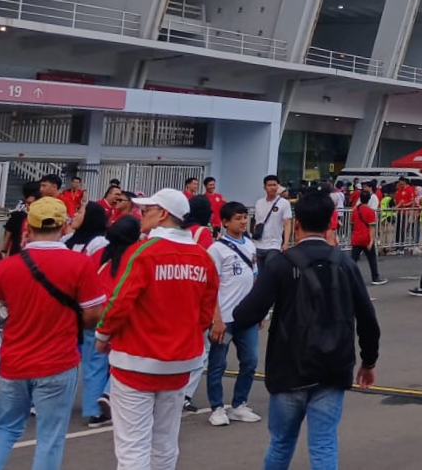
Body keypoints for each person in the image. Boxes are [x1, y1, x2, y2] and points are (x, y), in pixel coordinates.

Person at [232, 190, 380, 470]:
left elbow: (245, 314)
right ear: (330, 224)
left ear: (296, 225)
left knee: (281, 442)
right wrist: (368, 360)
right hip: (333, 367)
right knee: (323, 443)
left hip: (289, 366)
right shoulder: (345, 264)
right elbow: (368, 319)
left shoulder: (281, 265)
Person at [0, 198, 106, 470]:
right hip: (58, 360)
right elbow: (94, 314)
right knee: (50, 437)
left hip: (14, 360)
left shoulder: (6, 266)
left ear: (28, 227)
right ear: (63, 225)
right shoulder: (79, 264)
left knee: (4, 428)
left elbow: (5, 302)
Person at [94, 188, 220, 470]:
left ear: (163, 214)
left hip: (135, 360)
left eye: (147, 210)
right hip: (180, 363)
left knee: (132, 448)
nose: (141, 215)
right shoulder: (202, 257)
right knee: (165, 443)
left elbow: (119, 301)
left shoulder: (142, 253)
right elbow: (205, 312)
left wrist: (103, 335)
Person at [205, 202, 261, 426]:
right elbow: (210, 287)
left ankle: (239, 404)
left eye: (244, 217)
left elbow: (255, 280)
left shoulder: (250, 244)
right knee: (218, 363)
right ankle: (217, 407)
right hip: (224, 320)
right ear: (225, 222)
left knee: (250, 361)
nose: (243, 221)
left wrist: (259, 311)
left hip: (246, 318)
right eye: (238, 218)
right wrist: (216, 318)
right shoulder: (216, 250)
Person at [85, 216, 140, 428]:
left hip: (95, 312)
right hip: (121, 314)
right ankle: (109, 394)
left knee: (94, 363)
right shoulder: (136, 255)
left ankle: (93, 410)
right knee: (121, 359)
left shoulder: (99, 254)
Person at [253, 175, 293, 269]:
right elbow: (256, 222)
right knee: (258, 274)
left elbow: (287, 223)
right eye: (269, 185)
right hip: (258, 244)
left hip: (274, 245)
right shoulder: (259, 203)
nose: (272, 188)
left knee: (270, 271)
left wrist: (286, 243)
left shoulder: (284, 203)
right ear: (264, 187)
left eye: (275, 185)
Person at [349, 189, 387, 286]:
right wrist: (371, 241)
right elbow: (372, 228)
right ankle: (375, 277)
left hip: (356, 238)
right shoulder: (370, 212)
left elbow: (352, 225)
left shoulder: (355, 211)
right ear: (369, 199)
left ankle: (348, 277)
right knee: (372, 259)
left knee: (353, 260)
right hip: (366, 238)